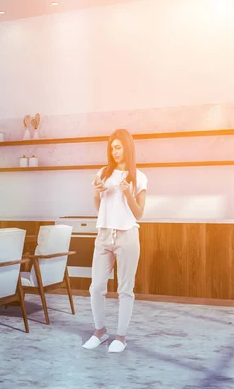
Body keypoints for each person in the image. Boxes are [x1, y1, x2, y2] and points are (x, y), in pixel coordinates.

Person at [82, 128, 148, 353]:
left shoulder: (139, 176)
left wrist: (128, 193)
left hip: (127, 236)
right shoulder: (103, 173)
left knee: (125, 289)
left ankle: (121, 337)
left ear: (127, 148)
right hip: (103, 235)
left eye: (118, 147)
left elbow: (139, 213)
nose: (114, 151)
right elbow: (100, 208)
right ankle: (100, 332)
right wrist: (95, 192)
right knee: (96, 287)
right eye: (112, 148)